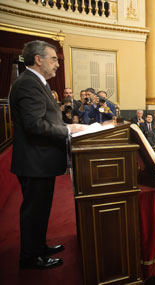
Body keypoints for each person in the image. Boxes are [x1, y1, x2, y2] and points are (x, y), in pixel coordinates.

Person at [9, 40, 88, 269]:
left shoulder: (37, 83)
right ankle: (31, 257)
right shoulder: (27, 84)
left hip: (40, 160)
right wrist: (67, 130)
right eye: (53, 59)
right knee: (34, 211)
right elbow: (34, 125)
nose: (57, 64)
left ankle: (39, 246)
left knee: (41, 209)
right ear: (38, 59)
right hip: (35, 161)